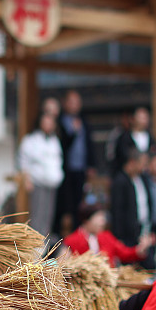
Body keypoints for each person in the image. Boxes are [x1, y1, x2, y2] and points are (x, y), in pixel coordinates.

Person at [18, 112, 63, 237]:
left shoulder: (54, 140)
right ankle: (36, 242)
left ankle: (44, 241)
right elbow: (24, 162)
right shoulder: (31, 140)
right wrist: (27, 179)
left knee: (48, 215)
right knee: (38, 214)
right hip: (38, 182)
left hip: (52, 183)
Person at [62, 204, 152, 267]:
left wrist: (141, 249)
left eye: (103, 218)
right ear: (86, 220)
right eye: (99, 218)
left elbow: (125, 253)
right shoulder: (71, 241)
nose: (103, 222)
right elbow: (63, 264)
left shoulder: (107, 237)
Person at [56, 90, 92, 232]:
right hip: (65, 170)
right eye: (71, 102)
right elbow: (63, 145)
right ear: (65, 103)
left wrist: (91, 164)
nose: (75, 105)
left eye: (77, 102)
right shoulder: (60, 122)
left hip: (80, 168)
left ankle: (78, 232)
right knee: (65, 204)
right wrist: (73, 133)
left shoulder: (83, 121)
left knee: (79, 203)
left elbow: (89, 144)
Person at [110, 148, 154, 248]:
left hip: (144, 229)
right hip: (127, 234)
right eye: (143, 164)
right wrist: (119, 236)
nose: (145, 167)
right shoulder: (120, 181)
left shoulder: (142, 179)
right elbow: (117, 210)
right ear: (132, 162)